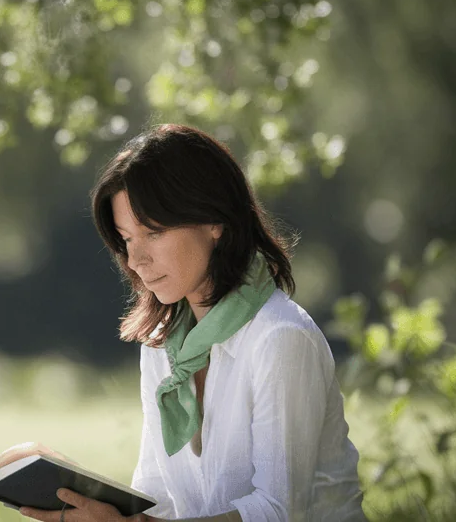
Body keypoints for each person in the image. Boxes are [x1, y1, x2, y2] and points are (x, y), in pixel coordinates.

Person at [20, 124, 365, 522]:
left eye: (153, 232)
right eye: (126, 239)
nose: (135, 261)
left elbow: (278, 512)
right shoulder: (162, 346)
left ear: (214, 221)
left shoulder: (281, 338)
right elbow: (157, 500)